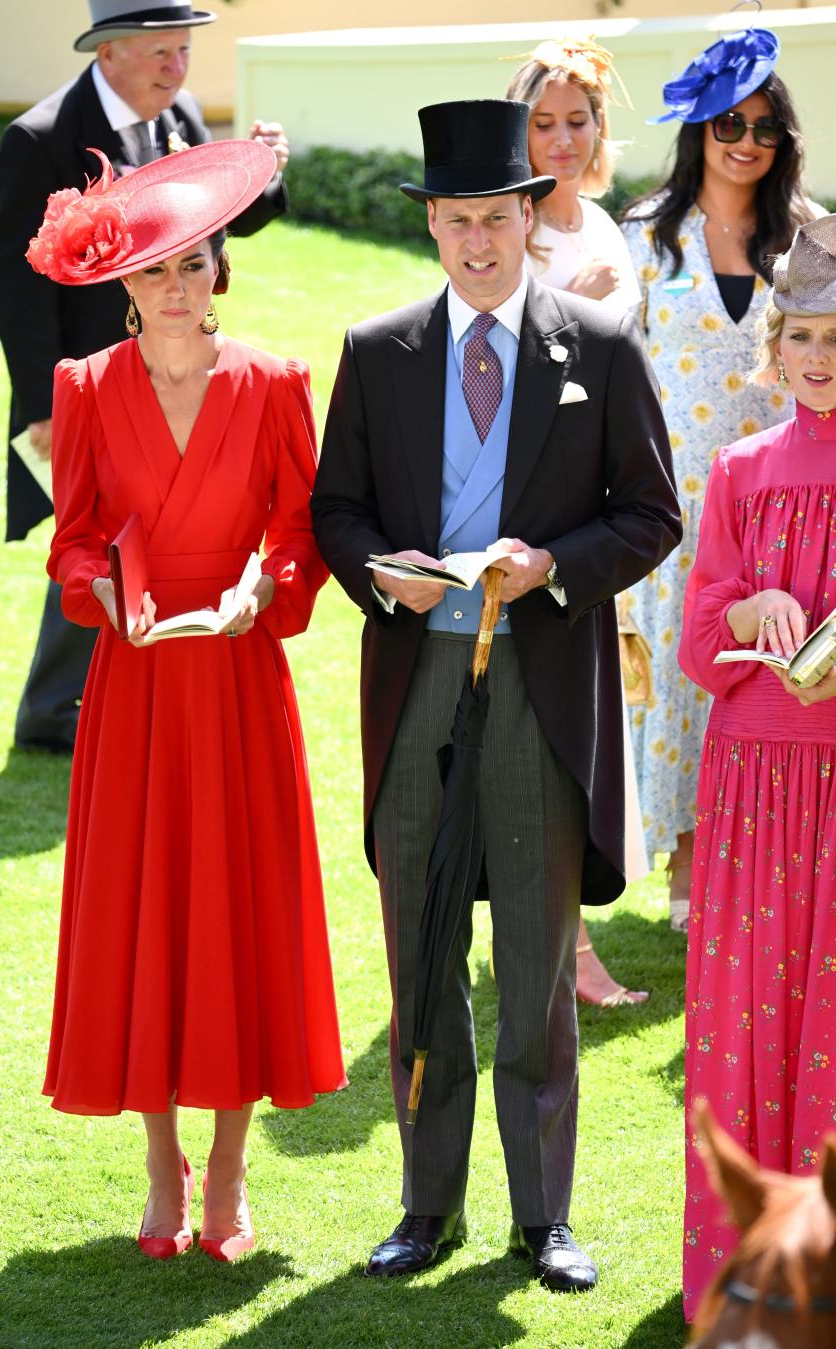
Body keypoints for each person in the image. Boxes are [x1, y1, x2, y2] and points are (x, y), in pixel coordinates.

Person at [311, 99, 681, 1291]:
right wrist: (385, 579)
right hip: (417, 682)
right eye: (455, 221)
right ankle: (426, 1207)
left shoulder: (603, 347)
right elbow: (338, 510)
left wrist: (553, 571)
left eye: (496, 217)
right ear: (434, 228)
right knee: (422, 957)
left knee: (532, 960)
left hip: (542, 684)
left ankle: (544, 1216)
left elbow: (650, 513)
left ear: (533, 215)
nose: (476, 241)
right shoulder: (377, 353)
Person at [27, 139, 346, 1261]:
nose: (177, 282)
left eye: (195, 262)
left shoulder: (275, 383)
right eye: (156, 266)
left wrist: (272, 585)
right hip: (139, 686)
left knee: (235, 913)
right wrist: (102, 591)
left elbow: (302, 534)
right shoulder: (82, 389)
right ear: (125, 282)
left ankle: (228, 1169)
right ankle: (160, 1162)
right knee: (146, 909)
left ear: (221, 270)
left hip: (238, 682)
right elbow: (68, 544)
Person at [0, 0, 291, 754]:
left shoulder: (179, 111)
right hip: (97, 386)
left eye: (184, 51)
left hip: (174, 367)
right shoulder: (40, 138)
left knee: (151, 532)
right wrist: (43, 407)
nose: (178, 68)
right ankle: (54, 707)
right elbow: (18, 289)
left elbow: (206, 226)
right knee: (96, 534)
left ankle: (83, 701)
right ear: (110, 51)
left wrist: (267, 173)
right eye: (162, 53)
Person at [619, 27, 819, 931]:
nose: (746, 140)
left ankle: (770, 859)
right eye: (729, 121)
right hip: (671, 503)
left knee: (770, 675)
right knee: (683, 676)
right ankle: (690, 868)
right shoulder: (646, 236)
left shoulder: (808, 236)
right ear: (697, 124)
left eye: (766, 127)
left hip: (791, 499)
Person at [677, 214, 836, 1322]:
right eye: (805, 339)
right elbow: (697, 644)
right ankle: (747, 1271)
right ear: (772, 350)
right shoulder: (739, 469)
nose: (821, 361)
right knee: (750, 1018)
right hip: (751, 788)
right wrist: (750, 602)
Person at [508, 36, 648, 1009]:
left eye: (577, 121)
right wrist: (566, 308)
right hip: (540, 519)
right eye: (544, 122)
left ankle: (557, 927)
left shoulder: (605, 224)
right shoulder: (510, 234)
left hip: (613, 514)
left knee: (598, 729)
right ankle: (567, 946)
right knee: (548, 733)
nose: (562, 139)